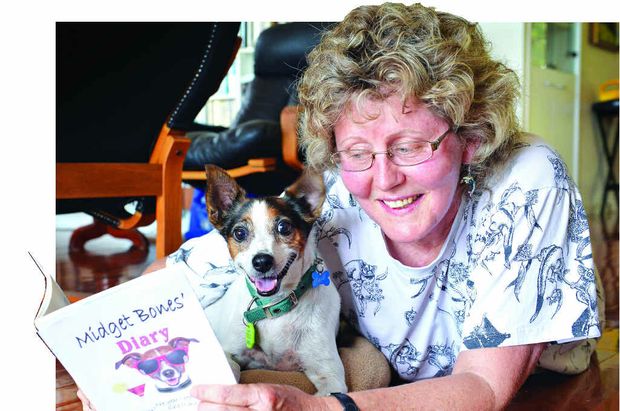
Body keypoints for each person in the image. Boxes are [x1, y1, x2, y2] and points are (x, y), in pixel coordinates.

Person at [79, 3, 604, 410]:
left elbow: (484, 389)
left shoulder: (524, 179)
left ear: (470, 136)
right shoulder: (331, 198)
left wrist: (321, 407)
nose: (384, 179)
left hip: (541, 391)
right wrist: (103, 359)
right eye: (356, 152)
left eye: (409, 146)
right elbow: (171, 276)